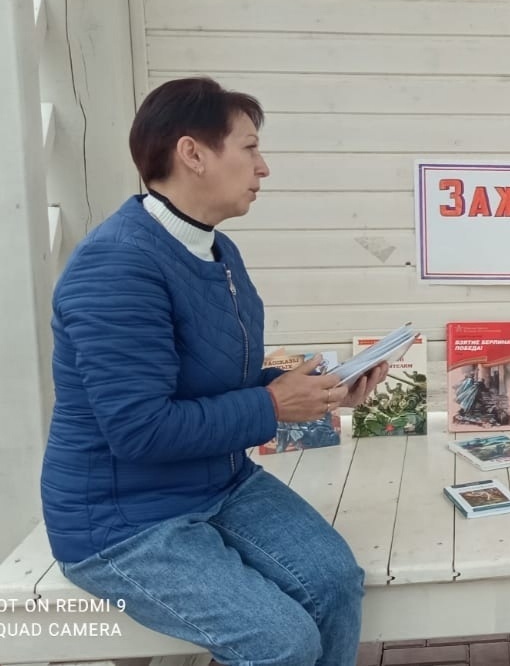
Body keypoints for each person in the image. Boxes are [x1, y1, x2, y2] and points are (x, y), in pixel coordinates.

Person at [40, 77, 389, 666]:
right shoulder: (116, 266)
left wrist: (320, 390)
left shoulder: (215, 251)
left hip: (219, 483)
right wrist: (274, 405)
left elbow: (212, 384)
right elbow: (140, 430)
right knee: (279, 641)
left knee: (334, 583)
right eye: (250, 148)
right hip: (122, 521)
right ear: (193, 154)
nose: (263, 168)